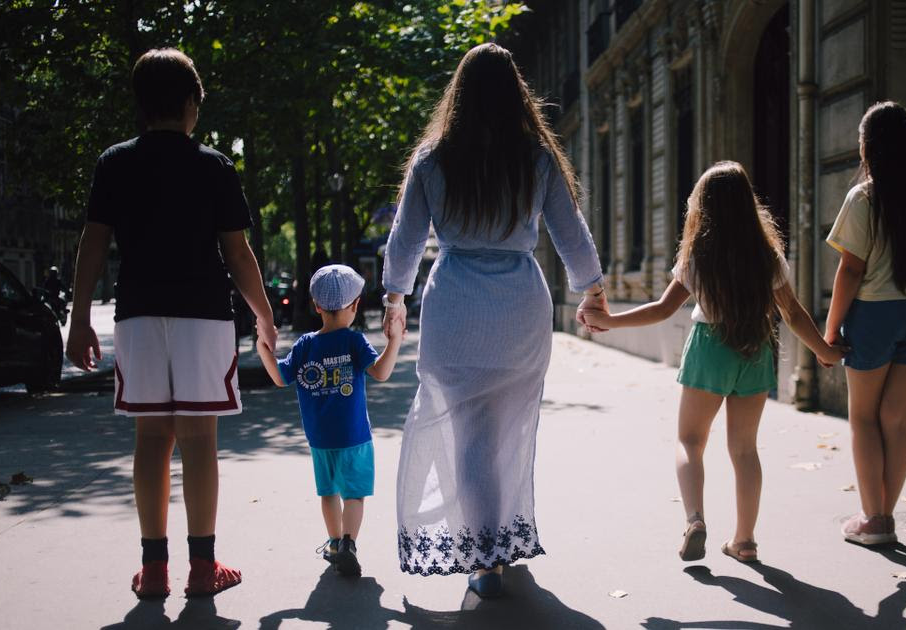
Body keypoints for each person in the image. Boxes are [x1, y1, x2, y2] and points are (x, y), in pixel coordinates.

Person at [381, 42, 605, 598]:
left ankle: (486, 556)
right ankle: (497, 542)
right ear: (516, 93)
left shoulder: (433, 159)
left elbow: (405, 242)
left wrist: (394, 299)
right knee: (511, 427)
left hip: (455, 304)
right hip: (519, 308)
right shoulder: (536, 157)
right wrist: (593, 290)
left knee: (469, 438)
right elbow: (570, 232)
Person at [64, 48, 277, 599]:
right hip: (203, 316)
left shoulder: (114, 162)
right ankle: (203, 567)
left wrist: (80, 317)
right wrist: (264, 314)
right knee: (199, 439)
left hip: (136, 313)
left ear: (140, 105)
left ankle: (154, 568)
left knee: (151, 438)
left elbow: (93, 243)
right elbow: (237, 252)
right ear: (189, 104)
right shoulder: (213, 166)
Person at [582, 161, 845, 563]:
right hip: (755, 349)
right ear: (747, 205)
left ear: (702, 208)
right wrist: (825, 351)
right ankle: (745, 541)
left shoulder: (697, 258)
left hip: (709, 347)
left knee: (690, 440)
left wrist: (610, 321)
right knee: (744, 450)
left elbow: (661, 309)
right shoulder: (767, 256)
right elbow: (791, 312)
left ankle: (695, 519)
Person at [824, 101, 906, 545]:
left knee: (863, 417)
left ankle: (873, 518)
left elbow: (851, 269)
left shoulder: (865, 197)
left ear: (868, 146)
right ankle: (886, 515)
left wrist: (830, 329)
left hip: (874, 313)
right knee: (899, 420)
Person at [255, 264, 403, 578]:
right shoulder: (353, 341)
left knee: (328, 493)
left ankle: (335, 542)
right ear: (355, 305)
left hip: (319, 439)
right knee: (354, 494)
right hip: (355, 437)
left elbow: (281, 377)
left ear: (317, 306)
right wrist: (395, 342)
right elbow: (381, 372)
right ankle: (349, 543)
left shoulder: (305, 345)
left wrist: (264, 350)